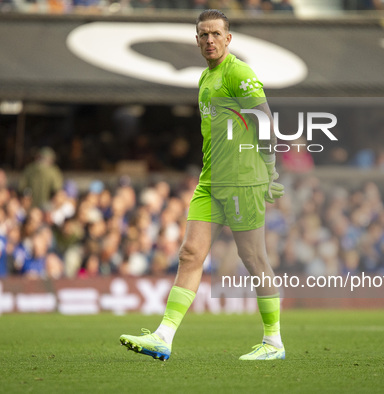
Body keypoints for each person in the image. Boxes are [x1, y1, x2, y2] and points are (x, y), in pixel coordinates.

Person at [120, 9, 285, 361]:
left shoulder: (238, 72)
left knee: (253, 258)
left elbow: (265, 121)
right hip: (211, 181)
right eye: (203, 34)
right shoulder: (204, 80)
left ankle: (273, 342)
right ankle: (163, 336)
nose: (209, 39)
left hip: (242, 182)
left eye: (215, 34)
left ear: (228, 38)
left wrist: (269, 171)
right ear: (197, 40)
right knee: (190, 253)